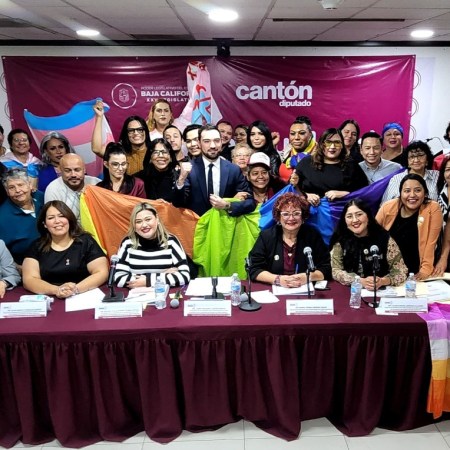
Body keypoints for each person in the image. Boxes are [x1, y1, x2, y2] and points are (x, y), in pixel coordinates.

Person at [22, 201, 108, 298]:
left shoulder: (86, 241)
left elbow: (101, 272)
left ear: (69, 219)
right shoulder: (36, 246)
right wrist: (57, 290)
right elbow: (29, 280)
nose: (57, 221)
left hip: (83, 295)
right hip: (50, 297)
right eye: (51, 218)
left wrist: (75, 289)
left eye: (61, 216)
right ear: (44, 224)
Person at [248, 192, 331, 286]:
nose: (291, 218)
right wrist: (278, 279)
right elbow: (253, 268)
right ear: (278, 217)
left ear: (303, 216)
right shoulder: (267, 236)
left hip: (304, 289)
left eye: (296, 213)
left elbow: (326, 268)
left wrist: (308, 277)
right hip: (274, 289)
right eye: (285, 214)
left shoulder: (312, 235)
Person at [174, 124, 256, 217]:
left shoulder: (233, 170)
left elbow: (250, 203)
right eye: (207, 141)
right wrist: (181, 179)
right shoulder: (190, 169)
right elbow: (178, 203)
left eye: (216, 141)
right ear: (199, 143)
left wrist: (227, 205)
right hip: (196, 224)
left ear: (221, 142)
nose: (212, 146)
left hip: (224, 223)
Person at [376, 174, 442, 280]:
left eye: (417, 190)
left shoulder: (432, 208)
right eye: (407, 191)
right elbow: (373, 235)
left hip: (415, 272)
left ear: (425, 193)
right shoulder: (388, 207)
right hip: (388, 271)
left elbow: (431, 243)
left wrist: (425, 270)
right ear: (400, 193)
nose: (412, 195)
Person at [330, 199, 408, 290]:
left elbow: (401, 271)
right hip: (351, 290)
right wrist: (359, 281)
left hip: (381, 291)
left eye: (359, 214)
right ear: (345, 220)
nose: (355, 220)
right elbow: (335, 270)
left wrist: (383, 281)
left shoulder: (385, 239)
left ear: (368, 216)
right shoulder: (340, 240)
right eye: (349, 216)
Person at [114, 202, 190, 288]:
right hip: (137, 295)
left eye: (148, 219)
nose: (144, 225)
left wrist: (148, 281)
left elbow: (185, 276)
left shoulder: (171, 241)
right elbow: (118, 278)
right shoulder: (127, 243)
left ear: (157, 219)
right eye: (138, 222)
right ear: (134, 226)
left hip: (164, 294)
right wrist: (162, 275)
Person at [294, 127, 368, 206]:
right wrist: (306, 196)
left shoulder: (351, 165)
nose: (332, 147)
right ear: (322, 144)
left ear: (342, 145)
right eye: (328, 142)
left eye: (337, 143)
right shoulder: (306, 163)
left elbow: (364, 192)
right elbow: (292, 188)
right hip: (309, 211)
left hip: (340, 211)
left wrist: (345, 194)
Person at [92, 100, 151, 175]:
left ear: (146, 131)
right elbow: (97, 149)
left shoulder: (154, 150)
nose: (136, 133)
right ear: (126, 133)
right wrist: (99, 117)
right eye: (131, 130)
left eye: (140, 130)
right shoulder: (119, 152)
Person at [0, 168, 44, 265]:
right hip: (25, 265)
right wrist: (17, 267)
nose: (18, 190)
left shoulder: (41, 197)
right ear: (7, 191)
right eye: (11, 187)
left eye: (21, 185)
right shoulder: (2, 218)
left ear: (30, 185)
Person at [45, 154, 100, 223]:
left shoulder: (96, 183)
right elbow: (54, 222)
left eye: (77, 170)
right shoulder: (53, 189)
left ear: (84, 170)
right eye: (67, 171)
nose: (73, 175)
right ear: (60, 171)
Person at [136, 138, 179, 202]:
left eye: (164, 152)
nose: (161, 156)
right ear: (150, 157)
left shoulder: (178, 176)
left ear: (170, 157)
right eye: (156, 152)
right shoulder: (140, 178)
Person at [279, 116, 317, 182]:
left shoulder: (319, 154)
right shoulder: (286, 151)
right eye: (292, 133)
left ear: (310, 135)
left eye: (302, 133)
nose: (296, 137)